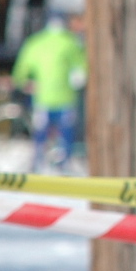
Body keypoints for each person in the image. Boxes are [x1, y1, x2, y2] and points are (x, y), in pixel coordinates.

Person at [11, 12, 88, 172]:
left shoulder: (35, 42)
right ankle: (63, 167)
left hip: (42, 99)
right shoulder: (70, 42)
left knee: (41, 134)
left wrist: (22, 82)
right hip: (66, 98)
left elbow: (22, 69)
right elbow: (81, 70)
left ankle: (39, 166)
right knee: (65, 135)